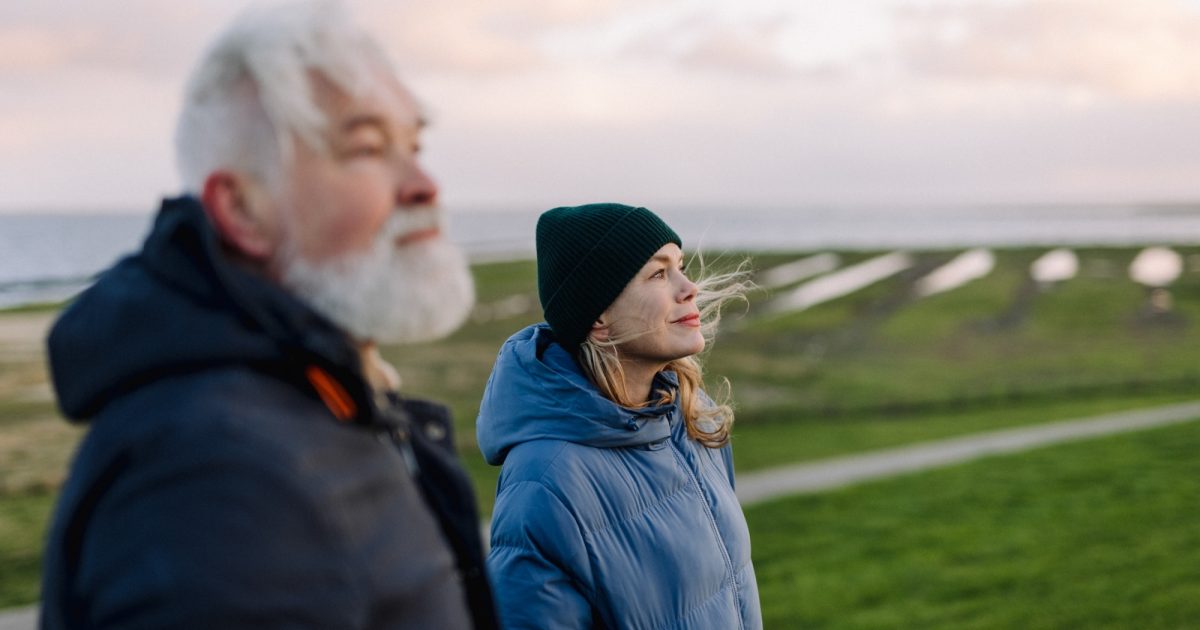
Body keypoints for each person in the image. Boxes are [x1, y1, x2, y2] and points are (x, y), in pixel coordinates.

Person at [40, 2, 496, 628]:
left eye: (413, 144)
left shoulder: (317, 398)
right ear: (242, 210)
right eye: (367, 148)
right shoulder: (211, 476)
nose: (424, 183)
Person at [477, 203, 762, 628]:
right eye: (658, 274)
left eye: (681, 267)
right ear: (599, 317)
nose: (689, 288)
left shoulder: (693, 416)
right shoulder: (544, 485)